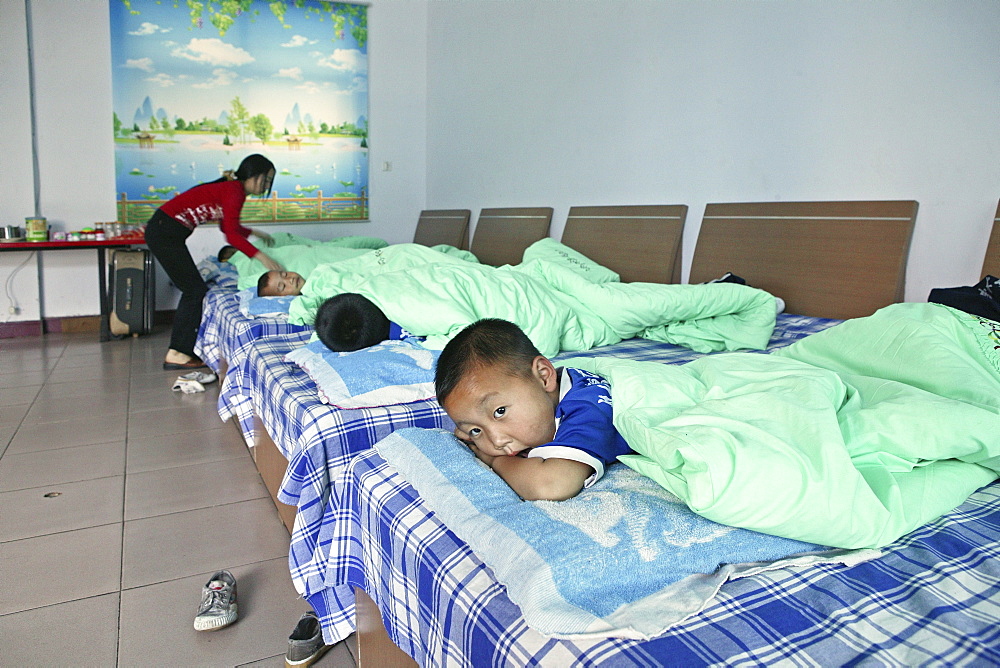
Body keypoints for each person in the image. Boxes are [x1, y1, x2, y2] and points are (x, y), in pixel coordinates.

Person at [434, 318, 632, 501]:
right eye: (475, 431)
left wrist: (492, 460)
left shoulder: (587, 408)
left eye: (500, 411)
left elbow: (552, 485)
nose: (497, 441)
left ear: (545, 376)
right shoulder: (541, 394)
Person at [144, 154, 284, 370]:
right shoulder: (234, 190)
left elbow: (228, 226)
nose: (266, 185)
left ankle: (180, 350)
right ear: (254, 176)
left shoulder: (232, 189)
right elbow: (230, 234)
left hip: (165, 230)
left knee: (194, 289)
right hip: (164, 232)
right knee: (194, 290)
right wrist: (261, 256)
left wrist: (253, 232)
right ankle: (177, 353)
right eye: (266, 179)